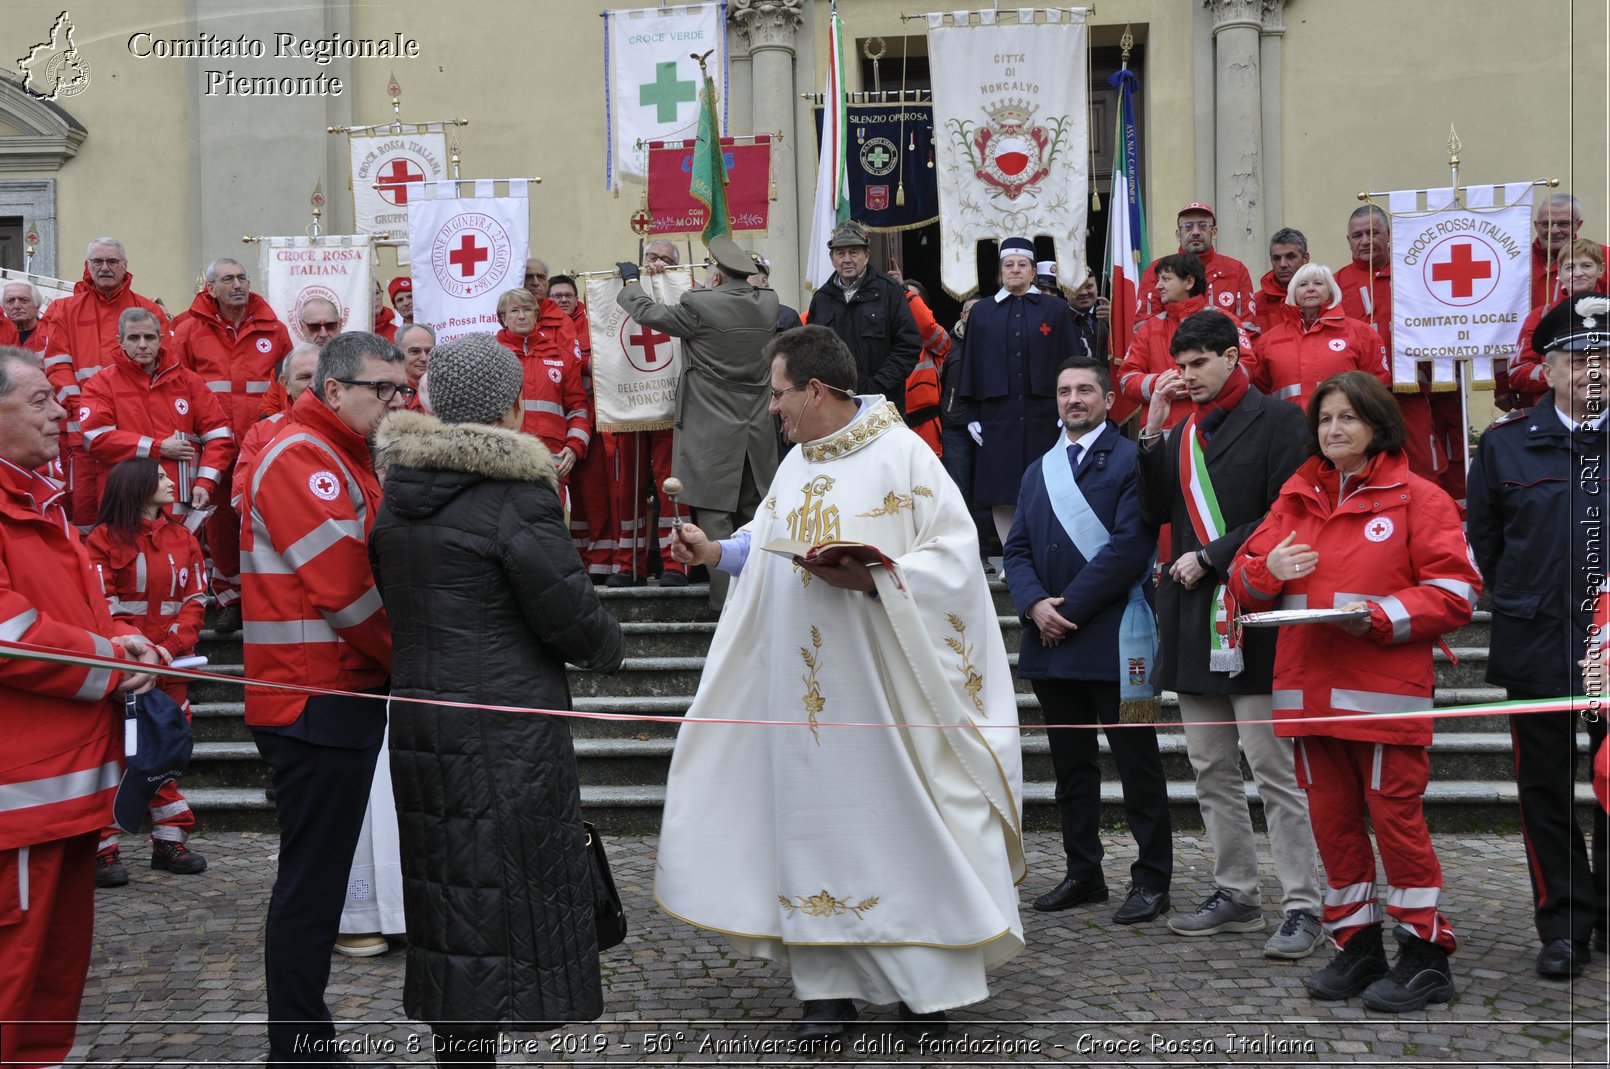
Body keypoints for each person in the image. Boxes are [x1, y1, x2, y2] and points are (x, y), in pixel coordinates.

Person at [658, 325, 1024, 1044]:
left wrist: (877, 575)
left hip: (890, 701)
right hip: (802, 703)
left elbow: (955, 562)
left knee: (904, 834)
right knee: (812, 835)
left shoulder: (905, 457)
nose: (772, 408)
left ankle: (926, 995)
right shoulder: (795, 463)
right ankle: (824, 990)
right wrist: (717, 550)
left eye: (778, 393)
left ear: (816, 390)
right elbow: (766, 544)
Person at [370, 333, 624, 1066]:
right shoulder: (516, 495)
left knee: (450, 893)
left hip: (423, 721)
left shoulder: (399, 491)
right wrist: (609, 646)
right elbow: (571, 617)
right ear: (513, 406)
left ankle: (462, 1054)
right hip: (505, 729)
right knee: (503, 890)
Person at [1228, 370, 1478, 1011]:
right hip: (1307, 694)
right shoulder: (1294, 496)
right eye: (1324, 420)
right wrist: (1266, 569)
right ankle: (1357, 947)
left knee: (1398, 827)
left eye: (1347, 418)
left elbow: (1456, 592)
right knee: (1334, 828)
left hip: (1381, 695)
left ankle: (1425, 956)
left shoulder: (1420, 498)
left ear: (1377, 425)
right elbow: (1244, 580)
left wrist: (1378, 615)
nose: (1333, 430)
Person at [240, 332, 409, 1066]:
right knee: (311, 887)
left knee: (317, 880)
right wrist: (413, 664)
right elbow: (344, 589)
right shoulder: (304, 455)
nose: (395, 402)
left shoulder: (336, 449)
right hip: (313, 696)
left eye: (401, 389)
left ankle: (303, 1036)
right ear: (336, 389)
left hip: (332, 691)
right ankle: (298, 1045)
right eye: (383, 390)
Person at [1135, 310, 1324, 959]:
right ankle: (1236, 888)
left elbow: (1286, 509)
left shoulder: (1280, 420)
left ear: (1230, 356)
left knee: (1271, 767)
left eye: (1196, 365)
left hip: (1252, 608)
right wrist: (1153, 434)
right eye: (1179, 367)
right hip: (1192, 616)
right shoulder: (1182, 429)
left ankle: (1302, 900)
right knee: (1210, 764)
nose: (1185, 377)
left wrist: (1212, 556)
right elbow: (1155, 509)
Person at [0, 345, 162, 1068]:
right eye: (39, 400)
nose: (61, 411)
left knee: (53, 986)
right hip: (17, 803)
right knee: (12, 982)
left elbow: (76, 610)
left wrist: (123, 637)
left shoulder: (43, 501)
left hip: (62, 793)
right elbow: (8, 633)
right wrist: (107, 666)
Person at [1467, 292, 1609, 980]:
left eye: (1606, 359)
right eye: (1580, 359)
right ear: (1548, 369)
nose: (1594, 371)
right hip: (1538, 643)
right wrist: (1529, 597)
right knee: (1544, 791)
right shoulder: (1504, 445)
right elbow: (1486, 545)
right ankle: (1563, 923)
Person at [1004, 356, 1172, 924]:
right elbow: (1017, 549)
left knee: (1138, 764)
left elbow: (1129, 549)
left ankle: (1152, 880)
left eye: (1083, 390)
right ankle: (1084, 874)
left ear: (1106, 399)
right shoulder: (1038, 470)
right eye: (1063, 390)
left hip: (1122, 641)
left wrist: (1063, 609)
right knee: (1071, 768)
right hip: (1052, 645)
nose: (1072, 399)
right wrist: (1032, 605)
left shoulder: (1132, 460)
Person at [615, 235, 780, 606]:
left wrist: (630, 282)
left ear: (717, 277)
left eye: (708, 271)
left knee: (716, 520)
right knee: (755, 515)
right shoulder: (768, 303)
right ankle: (765, 599)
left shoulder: (699, 304)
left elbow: (648, 314)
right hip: (756, 429)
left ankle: (727, 606)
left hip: (712, 430)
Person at [85, 458, 212, 886]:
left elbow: (195, 600)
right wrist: (139, 650)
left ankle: (168, 839)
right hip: (123, 670)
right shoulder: (102, 540)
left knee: (167, 753)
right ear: (135, 486)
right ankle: (102, 848)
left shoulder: (182, 537)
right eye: (159, 476)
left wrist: (165, 649)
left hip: (170, 667)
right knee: (112, 756)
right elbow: (103, 605)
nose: (169, 481)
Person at [171, 257, 292, 632]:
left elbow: (287, 384)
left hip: (264, 443)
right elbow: (178, 386)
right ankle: (231, 599)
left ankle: (269, 597)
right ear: (210, 288)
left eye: (242, 278)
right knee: (221, 523)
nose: (238, 285)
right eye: (228, 279)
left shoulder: (274, 329)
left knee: (269, 518)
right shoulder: (189, 330)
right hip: (214, 445)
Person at [958, 236, 1078, 548]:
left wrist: (1069, 410)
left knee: (1046, 485)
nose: (1015, 270)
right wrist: (972, 415)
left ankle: (1042, 555)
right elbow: (970, 365)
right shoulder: (983, 312)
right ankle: (1013, 557)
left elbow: (1072, 362)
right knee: (1003, 490)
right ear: (1000, 271)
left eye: (1022, 265)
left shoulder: (1056, 310)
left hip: (1045, 415)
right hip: (997, 416)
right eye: (1008, 265)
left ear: (1033, 270)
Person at [39, 238, 170, 523]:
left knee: (136, 511)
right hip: (81, 432)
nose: (105, 268)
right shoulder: (63, 310)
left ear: (125, 266)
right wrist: (80, 406)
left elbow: (164, 370)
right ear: (87, 266)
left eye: (112, 262)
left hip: (135, 433)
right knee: (84, 512)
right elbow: (55, 365)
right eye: (97, 262)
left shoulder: (149, 311)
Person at [1334, 205, 1461, 499]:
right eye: (1358, 235)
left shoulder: (1415, 276)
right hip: (1360, 396)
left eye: (1373, 233)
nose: (1365, 240)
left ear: (1389, 235)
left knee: (1423, 464)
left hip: (1411, 388)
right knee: (1364, 465)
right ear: (1348, 240)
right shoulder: (1337, 285)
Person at [80, 307, 236, 520]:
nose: (143, 344)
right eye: (134, 337)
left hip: (179, 505)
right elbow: (96, 438)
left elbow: (219, 435)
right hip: (127, 503)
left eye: (149, 337)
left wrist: (205, 483)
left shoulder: (188, 381)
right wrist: (158, 447)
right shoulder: (101, 383)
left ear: (161, 338)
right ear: (120, 340)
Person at [603, 240, 684, 588]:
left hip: (669, 404)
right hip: (629, 402)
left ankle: (676, 563)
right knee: (626, 491)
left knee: (673, 488)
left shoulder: (683, 293)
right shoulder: (618, 287)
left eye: (667, 259)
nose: (658, 264)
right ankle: (628, 565)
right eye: (652, 257)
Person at [804, 219, 922, 411]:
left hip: (881, 404)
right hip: (834, 405)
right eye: (840, 253)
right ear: (832, 259)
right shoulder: (822, 298)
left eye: (854, 252)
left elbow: (909, 346)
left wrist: (876, 387)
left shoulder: (888, 291)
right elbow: (811, 351)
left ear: (866, 256)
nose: (847, 259)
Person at [546, 274, 615, 582]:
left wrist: (581, 363)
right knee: (566, 497)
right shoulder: (542, 328)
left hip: (593, 423)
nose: (562, 299)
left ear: (577, 298)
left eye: (567, 295)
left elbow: (606, 362)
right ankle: (578, 558)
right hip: (556, 426)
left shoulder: (593, 324)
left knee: (594, 496)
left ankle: (599, 560)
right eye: (556, 295)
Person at [1250, 264, 1389, 409]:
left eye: (1318, 283)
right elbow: (1258, 392)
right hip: (1287, 428)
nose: (1310, 288)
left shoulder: (1361, 333)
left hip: (1340, 427)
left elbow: (1378, 388)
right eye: (1303, 284)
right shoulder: (1269, 340)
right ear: (1293, 293)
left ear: (1330, 291)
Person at [494, 288, 592, 483]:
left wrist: (574, 446)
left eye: (528, 310)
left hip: (552, 457)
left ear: (536, 315)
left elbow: (578, 409)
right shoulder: (489, 356)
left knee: (548, 514)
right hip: (503, 455)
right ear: (503, 317)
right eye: (514, 310)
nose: (522, 316)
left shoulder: (562, 356)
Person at [1502, 239, 1605, 410]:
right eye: (1570, 267)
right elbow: (1517, 373)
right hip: (1553, 416)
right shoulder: (1540, 316)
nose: (1578, 273)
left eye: (1586, 266)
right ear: (1560, 274)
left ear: (1600, 270)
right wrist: (1559, 375)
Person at [1119, 253, 1217, 432]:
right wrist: (1159, 385)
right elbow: (1126, 378)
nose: (1158, 286)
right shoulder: (1148, 328)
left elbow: (1244, 366)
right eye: (1158, 280)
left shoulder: (1222, 322)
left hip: (1212, 428)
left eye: (1165, 279)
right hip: (1161, 435)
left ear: (1189, 282)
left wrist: (1204, 380)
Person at [938, 296, 994, 571]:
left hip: (986, 428)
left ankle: (982, 555)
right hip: (954, 428)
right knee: (956, 493)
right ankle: (958, 555)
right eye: (973, 311)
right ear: (962, 316)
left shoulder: (995, 343)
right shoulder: (948, 346)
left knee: (984, 494)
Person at [1135, 202, 1257, 325]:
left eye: (1203, 226)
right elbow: (1145, 327)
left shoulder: (1236, 270)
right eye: (1188, 226)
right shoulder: (1157, 270)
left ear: (1214, 232)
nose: (1195, 232)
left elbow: (1247, 328)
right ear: (1178, 234)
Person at [232, 343, 319, 509]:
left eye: (320, 375)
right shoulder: (262, 432)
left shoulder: (351, 424)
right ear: (285, 384)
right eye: (304, 377)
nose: (314, 384)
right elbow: (241, 497)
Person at [1530, 191, 1610, 310]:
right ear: (1536, 225)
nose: (1554, 231)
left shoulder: (1604, 256)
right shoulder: (1516, 259)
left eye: (1563, 223)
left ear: (1578, 225)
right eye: (1546, 224)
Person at [897, 278, 950, 456]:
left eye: (912, 300)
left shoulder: (934, 338)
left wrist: (905, 292)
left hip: (924, 424)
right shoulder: (885, 330)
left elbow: (926, 325)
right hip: (890, 423)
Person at [1250, 228, 1309, 337]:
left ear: (1305, 258)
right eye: (1276, 258)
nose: (1283, 264)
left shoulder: (1320, 298)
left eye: (1290, 257)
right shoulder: (1256, 303)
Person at [2, 281, 51, 354]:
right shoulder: (2, 333)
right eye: (10, 301)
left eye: (23, 300)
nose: (16, 306)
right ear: (4, 307)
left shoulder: (51, 334)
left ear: (37, 305)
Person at [397, 322, 434, 412]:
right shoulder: (390, 392)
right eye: (415, 351)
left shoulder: (447, 390)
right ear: (398, 353)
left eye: (429, 351)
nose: (424, 358)